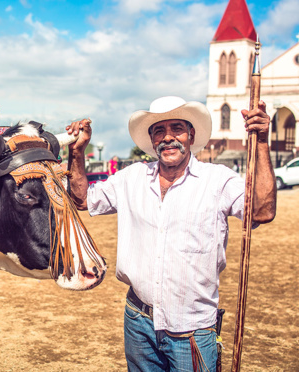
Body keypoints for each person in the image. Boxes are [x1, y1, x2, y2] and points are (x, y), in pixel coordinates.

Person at [66, 96, 276, 371]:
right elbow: (82, 200)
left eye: (177, 128)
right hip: (138, 320)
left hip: (192, 328)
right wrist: (77, 152)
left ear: (191, 135)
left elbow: (261, 211)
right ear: (152, 141)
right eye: (158, 131)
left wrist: (260, 142)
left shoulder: (218, 180)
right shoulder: (132, 178)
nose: (168, 138)